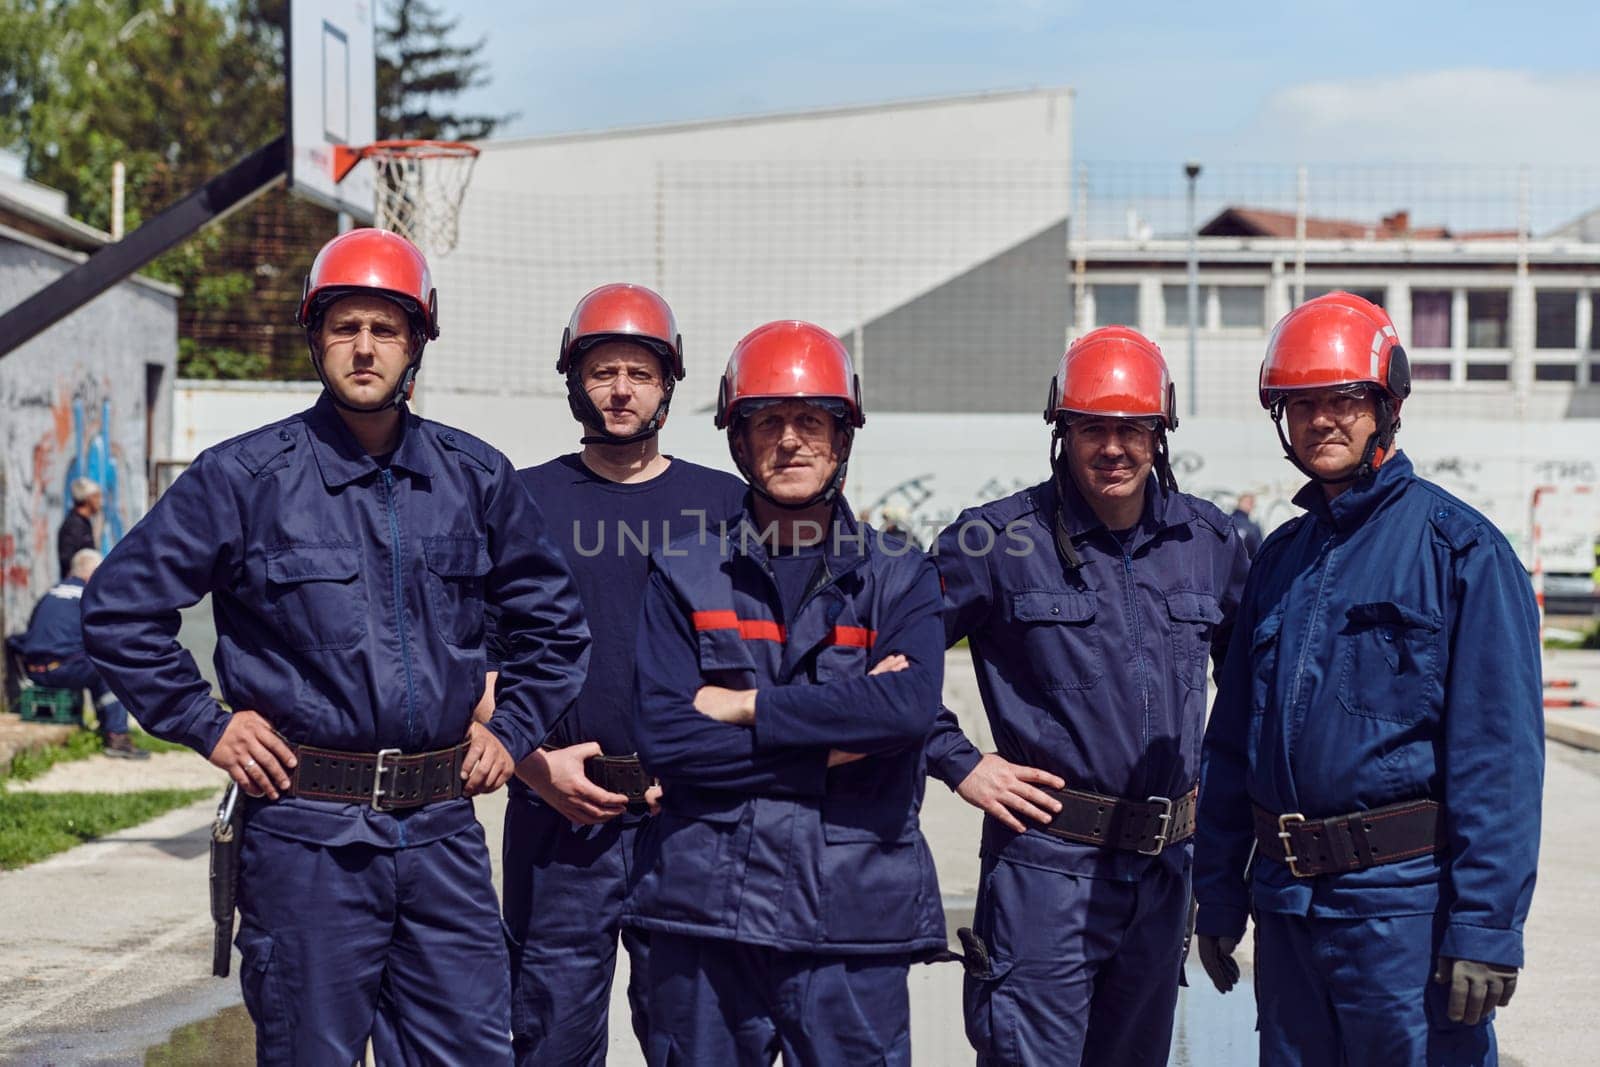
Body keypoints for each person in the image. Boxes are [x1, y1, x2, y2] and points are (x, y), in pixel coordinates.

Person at [82, 228, 591, 1065]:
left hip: (442, 835)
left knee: (468, 1052)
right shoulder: (244, 478)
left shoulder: (476, 478)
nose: (363, 346)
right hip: (305, 838)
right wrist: (205, 724)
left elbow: (556, 625)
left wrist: (513, 729)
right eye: (344, 325)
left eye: (384, 328)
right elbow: (118, 611)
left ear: (418, 340)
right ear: (316, 339)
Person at [1193, 292, 1543, 1066]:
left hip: (1403, 917)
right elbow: (1230, 744)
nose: (1322, 420)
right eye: (1301, 403)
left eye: (1345, 399)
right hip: (1288, 913)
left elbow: (1500, 760)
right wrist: (1216, 888)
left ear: (1387, 403)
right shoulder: (1279, 561)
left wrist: (1485, 928)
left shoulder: (1461, 554)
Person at [924, 326, 1249, 1066]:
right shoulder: (996, 542)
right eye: (1092, 428)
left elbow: (1249, 690)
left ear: (1160, 434)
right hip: (1047, 872)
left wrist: (1226, 844)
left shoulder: (1209, 541)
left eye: (1132, 428)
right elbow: (882, 658)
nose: (1113, 447)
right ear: (1061, 432)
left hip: (1165, 878)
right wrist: (958, 759)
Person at [627, 320, 947, 1064]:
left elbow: (906, 710)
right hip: (705, 916)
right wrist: (833, 748)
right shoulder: (684, 570)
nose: (791, 440)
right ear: (739, 440)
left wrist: (749, 707)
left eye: (811, 421)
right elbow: (668, 738)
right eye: (769, 421)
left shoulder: (899, 574)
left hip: (854, 923)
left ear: (843, 438)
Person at [482, 284, 745, 1065]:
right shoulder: (519, 497)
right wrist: (532, 768)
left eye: (639, 372)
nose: (621, 388)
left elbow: (761, 663)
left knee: (699, 1042)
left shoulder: (726, 505)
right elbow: (477, 655)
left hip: (693, 825)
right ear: (574, 382)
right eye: (602, 371)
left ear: (669, 386)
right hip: (560, 818)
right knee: (550, 1040)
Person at [16, 548, 148, 759]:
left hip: (34, 672)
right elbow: (107, 638)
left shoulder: (50, 594)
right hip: (63, 671)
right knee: (112, 665)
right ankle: (117, 736)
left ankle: (104, 726)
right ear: (94, 573)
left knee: (91, 660)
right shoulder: (90, 597)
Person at [58, 477, 100, 579]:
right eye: (97, 497)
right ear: (89, 498)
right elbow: (67, 560)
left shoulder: (84, 523)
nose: (100, 502)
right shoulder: (74, 525)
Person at [1230, 491, 1264, 557]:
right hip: (1245, 565)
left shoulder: (1225, 521)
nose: (1252, 506)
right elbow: (1260, 553)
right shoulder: (1253, 527)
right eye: (1250, 503)